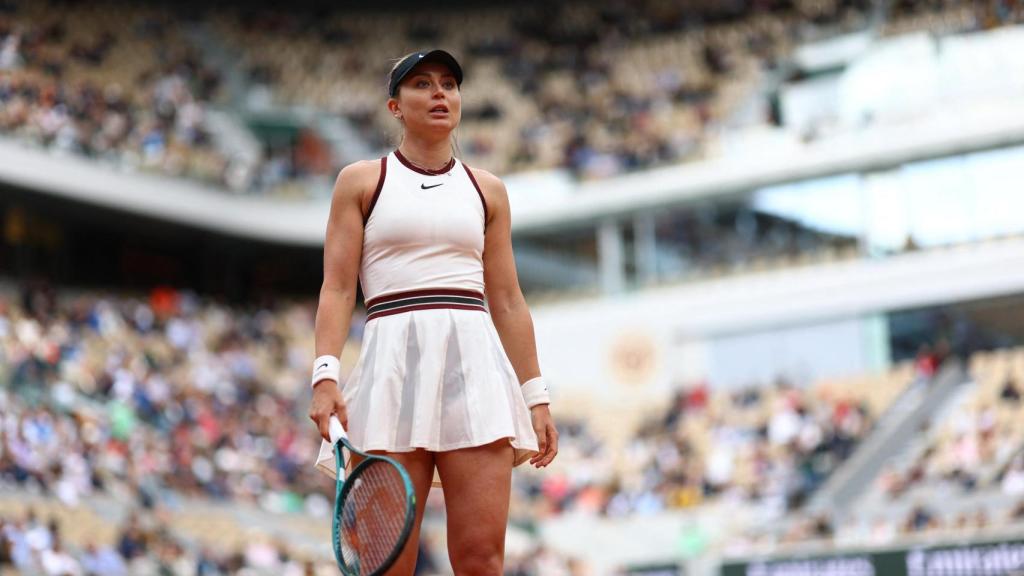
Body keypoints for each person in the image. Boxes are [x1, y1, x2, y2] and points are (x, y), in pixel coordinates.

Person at [308, 49, 559, 575]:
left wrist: (536, 395)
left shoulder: (487, 189)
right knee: (387, 561)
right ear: (395, 106)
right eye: (422, 84)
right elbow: (336, 288)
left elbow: (508, 300)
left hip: (475, 370)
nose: (440, 93)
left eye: (449, 83)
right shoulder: (361, 180)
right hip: (390, 370)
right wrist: (325, 376)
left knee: (481, 560)